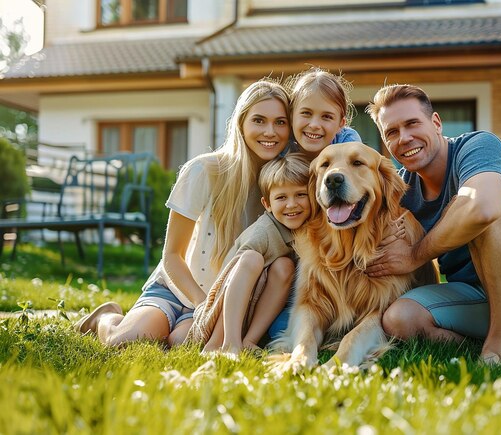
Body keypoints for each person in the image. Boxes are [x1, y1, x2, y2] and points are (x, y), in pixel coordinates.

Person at [365, 84, 501, 364]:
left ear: (435, 123)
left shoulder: (478, 146)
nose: (404, 138)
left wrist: (414, 255)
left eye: (412, 124)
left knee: (488, 206)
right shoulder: (401, 189)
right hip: (480, 302)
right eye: (392, 132)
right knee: (399, 319)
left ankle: (498, 349)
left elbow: (483, 208)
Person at [73, 79, 294, 347]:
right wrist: (202, 305)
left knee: (180, 344)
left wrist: (210, 311)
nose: (270, 131)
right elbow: (172, 256)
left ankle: (173, 327)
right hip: (175, 288)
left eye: (280, 122)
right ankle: (106, 317)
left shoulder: (283, 190)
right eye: (259, 120)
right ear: (241, 124)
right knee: (125, 341)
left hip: (218, 300)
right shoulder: (203, 171)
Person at [267, 67, 362, 338]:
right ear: (292, 113)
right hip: (297, 244)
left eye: (327, 117)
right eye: (306, 113)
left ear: (342, 122)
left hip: (334, 250)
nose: (314, 125)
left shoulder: (348, 146)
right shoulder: (283, 150)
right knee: (278, 330)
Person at [185, 153, 311, 355]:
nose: (291, 204)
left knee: (284, 266)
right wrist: (217, 340)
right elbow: (229, 284)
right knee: (251, 258)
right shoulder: (262, 233)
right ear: (267, 204)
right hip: (221, 315)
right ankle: (228, 344)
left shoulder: (308, 229)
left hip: (254, 313)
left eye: (300, 195)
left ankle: (249, 341)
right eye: (281, 197)